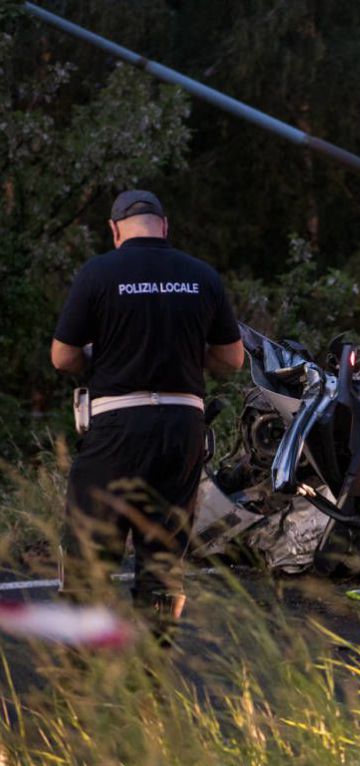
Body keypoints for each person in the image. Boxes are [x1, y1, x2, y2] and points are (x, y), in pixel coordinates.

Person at [51, 190, 244, 638]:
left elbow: (62, 357)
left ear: (115, 230)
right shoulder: (201, 275)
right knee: (162, 557)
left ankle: (83, 670)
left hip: (117, 425)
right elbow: (231, 360)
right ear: (165, 226)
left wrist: (94, 365)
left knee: (90, 551)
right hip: (182, 427)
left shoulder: (99, 272)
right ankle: (153, 668)